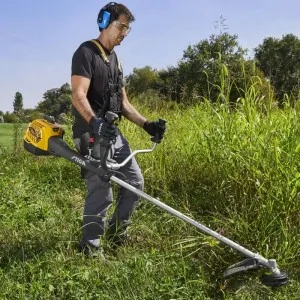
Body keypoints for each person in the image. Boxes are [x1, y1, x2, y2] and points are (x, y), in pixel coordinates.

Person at [71, 2, 166, 257]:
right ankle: (90, 247)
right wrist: (95, 123)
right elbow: (78, 95)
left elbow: (123, 103)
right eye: (121, 26)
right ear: (104, 22)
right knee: (102, 190)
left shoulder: (116, 60)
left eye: (128, 28)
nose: (124, 32)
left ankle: (116, 234)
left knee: (135, 182)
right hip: (91, 134)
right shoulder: (86, 53)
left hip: (113, 134)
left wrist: (147, 124)